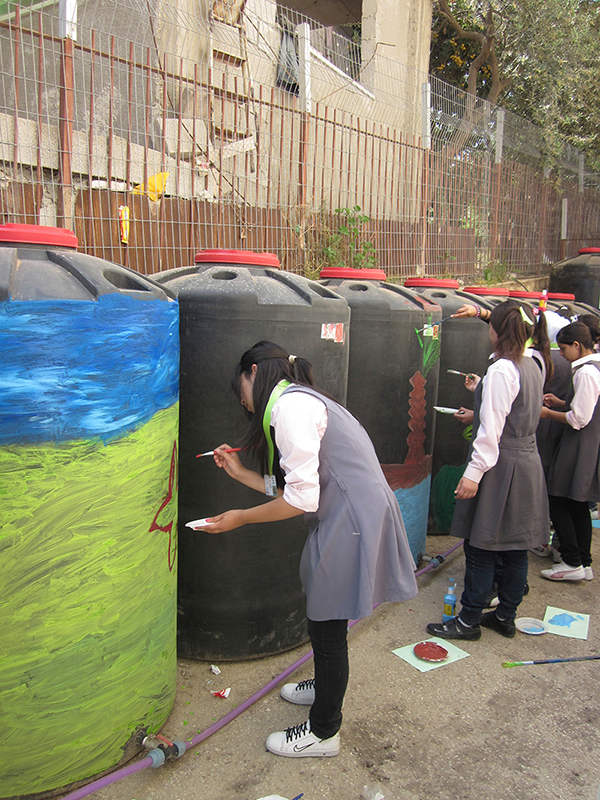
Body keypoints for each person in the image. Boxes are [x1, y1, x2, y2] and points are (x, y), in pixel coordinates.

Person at [192, 341, 418, 757]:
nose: (243, 402)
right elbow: (297, 487)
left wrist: (240, 517)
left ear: (254, 372)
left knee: (327, 621)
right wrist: (241, 474)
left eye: (241, 390)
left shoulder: (289, 408)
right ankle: (325, 686)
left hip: (351, 519)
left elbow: (300, 500)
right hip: (349, 512)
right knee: (325, 614)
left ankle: (324, 732)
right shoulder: (299, 399)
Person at [427, 302, 548, 640]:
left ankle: (468, 621)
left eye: (491, 324)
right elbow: (512, 409)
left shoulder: (502, 370)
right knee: (514, 547)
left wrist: (473, 473)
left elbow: (491, 432)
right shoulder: (532, 361)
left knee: (481, 546)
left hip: (499, 465)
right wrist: (480, 391)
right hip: (526, 461)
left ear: (497, 331)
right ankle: (505, 616)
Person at [540, 321, 600, 581]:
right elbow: (587, 405)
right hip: (589, 443)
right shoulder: (594, 367)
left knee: (559, 499)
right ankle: (583, 563)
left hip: (579, 445)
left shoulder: (585, 372)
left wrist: (547, 413)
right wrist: (562, 402)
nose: (562, 354)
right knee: (578, 503)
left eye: (564, 349)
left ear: (577, 345)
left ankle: (571, 561)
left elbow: (579, 419)